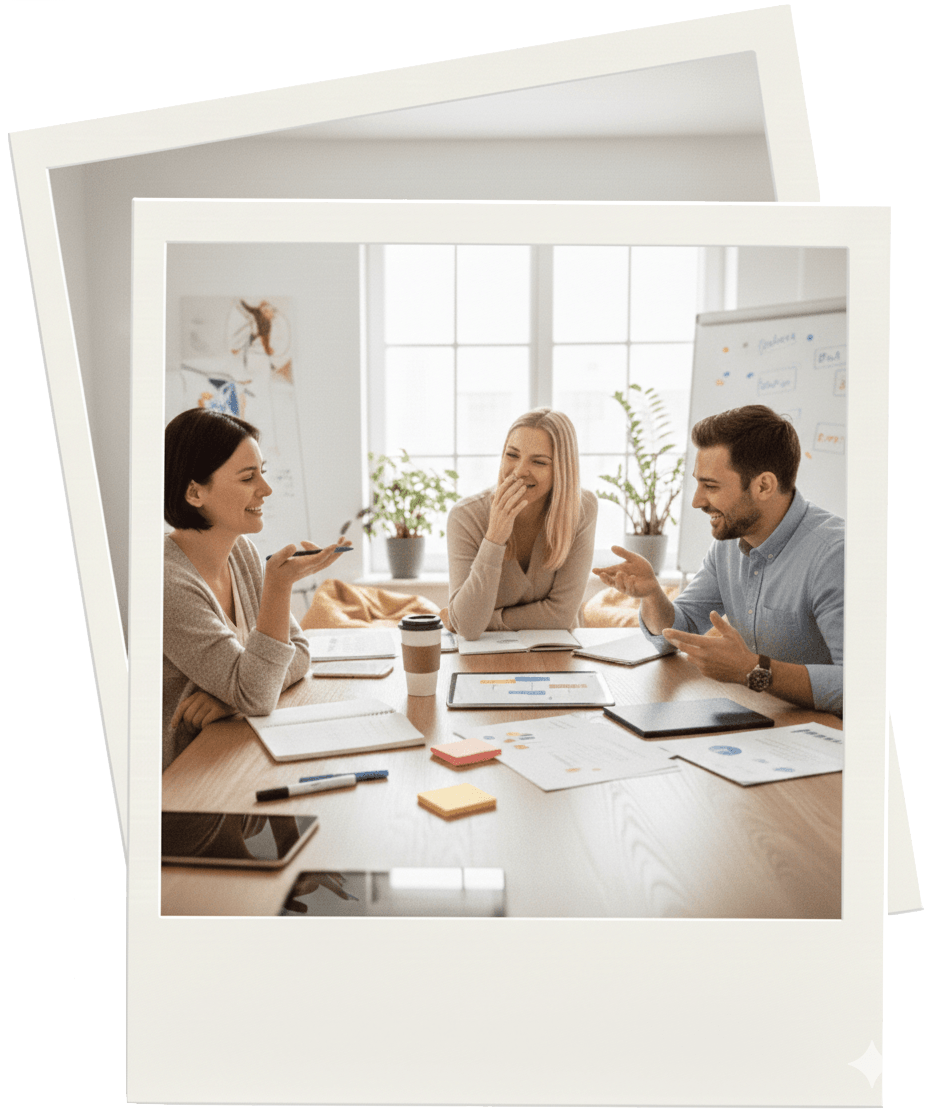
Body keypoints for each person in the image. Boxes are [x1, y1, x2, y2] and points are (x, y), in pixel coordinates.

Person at [592, 404, 844, 715]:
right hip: (766, 721)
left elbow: (868, 686)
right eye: (698, 483)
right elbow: (677, 634)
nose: (697, 501)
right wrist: (652, 595)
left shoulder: (835, 555)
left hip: (830, 739)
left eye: (710, 486)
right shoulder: (730, 544)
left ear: (764, 485)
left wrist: (753, 670)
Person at [163, 408, 350, 769]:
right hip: (188, 785)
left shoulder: (241, 551)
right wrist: (279, 586)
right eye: (248, 477)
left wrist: (232, 698)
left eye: (262, 473)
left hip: (236, 754)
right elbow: (258, 693)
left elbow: (298, 652)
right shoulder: (169, 585)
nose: (266, 489)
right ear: (193, 492)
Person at [445, 407, 597, 641]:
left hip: (558, 654)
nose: (518, 472)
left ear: (561, 470)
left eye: (538, 462)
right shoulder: (466, 517)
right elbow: (467, 626)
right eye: (512, 455)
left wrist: (491, 620)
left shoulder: (582, 509)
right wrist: (494, 536)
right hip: (485, 659)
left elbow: (561, 616)